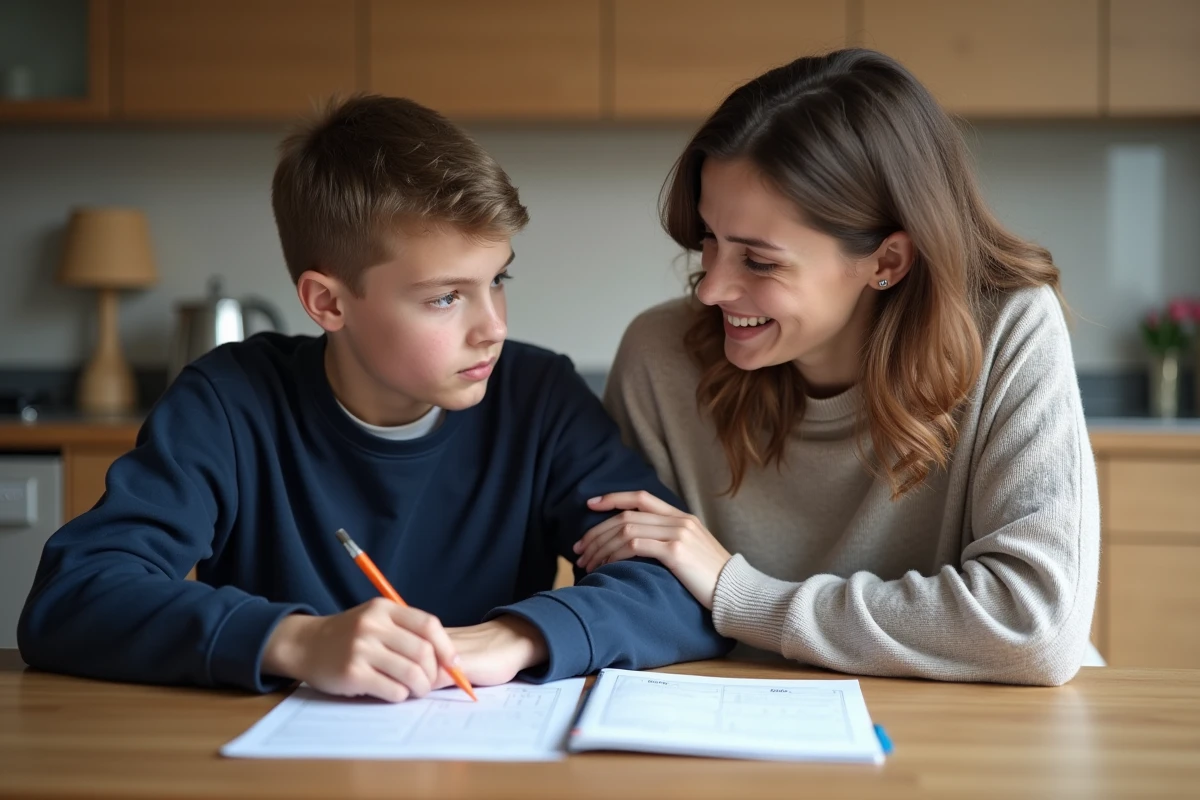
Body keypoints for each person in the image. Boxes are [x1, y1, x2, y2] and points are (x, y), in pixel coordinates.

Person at [18, 95, 729, 701]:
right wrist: (295, 642)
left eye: (498, 281)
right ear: (328, 302)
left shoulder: (536, 396)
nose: (494, 329)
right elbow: (73, 597)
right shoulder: (230, 402)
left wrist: (514, 637)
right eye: (447, 297)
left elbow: (680, 592)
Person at [577, 49, 1099, 686]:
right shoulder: (659, 357)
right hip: (743, 721)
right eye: (709, 239)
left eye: (759, 262)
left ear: (888, 261)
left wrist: (738, 594)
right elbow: (629, 596)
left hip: (977, 728)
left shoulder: (1009, 329)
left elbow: (1032, 626)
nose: (711, 288)